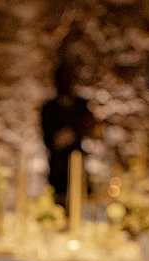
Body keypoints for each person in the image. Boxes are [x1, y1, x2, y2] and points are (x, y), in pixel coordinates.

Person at [41, 62, 94, 205]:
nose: (67, 82)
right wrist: (74, 130)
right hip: (59, 170)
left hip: (79, 167)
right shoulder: (49, 109)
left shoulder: (80, 105)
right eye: (63, 79)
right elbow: (51, 141)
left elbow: (91, 127)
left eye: (69, 78)